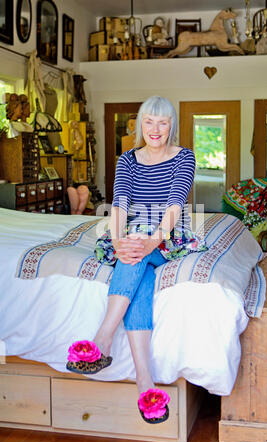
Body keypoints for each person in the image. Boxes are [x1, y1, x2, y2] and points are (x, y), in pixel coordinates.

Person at [66, 96, 206, 424]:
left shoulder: (184, 157)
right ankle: (146, 383)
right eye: (149, 121)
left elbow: (174, 203)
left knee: (137, 245)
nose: (155, 129)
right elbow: (119, 204)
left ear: (171, 125)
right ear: (140, 125)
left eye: (163, 122)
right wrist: (118, 242)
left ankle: (102, 339)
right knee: (139, 277)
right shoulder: (127, 159)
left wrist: (151, 241)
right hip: (132, 237)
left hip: (166, 234)